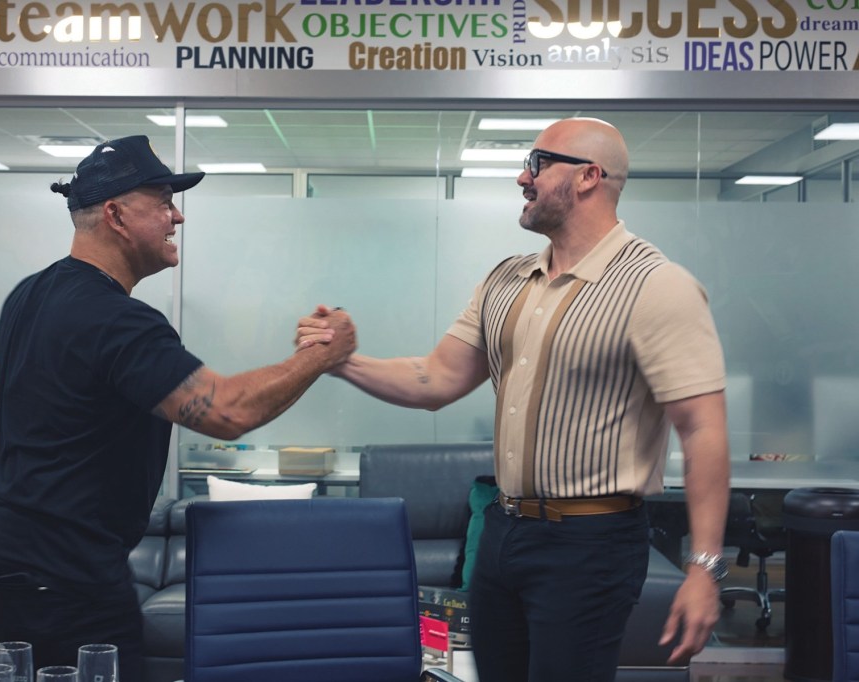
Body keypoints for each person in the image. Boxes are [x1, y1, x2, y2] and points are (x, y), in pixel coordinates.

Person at [297, 118, 729, 682]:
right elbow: (436, 378)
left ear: (588, 177)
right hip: (503, 529)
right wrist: (340, 361)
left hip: (591, 541)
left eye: (538, 163)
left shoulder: (657, 285)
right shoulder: (507, 279)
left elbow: (702, 429)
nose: (523, 178)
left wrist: (704, 568)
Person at [0, 135, 355, 680]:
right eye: (164, 203)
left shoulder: (31, 293)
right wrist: (320, 355)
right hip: (63, 568)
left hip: (0, 553)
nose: (178, 217)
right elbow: (226, 411)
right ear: (116, 215)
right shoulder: (118, 320)